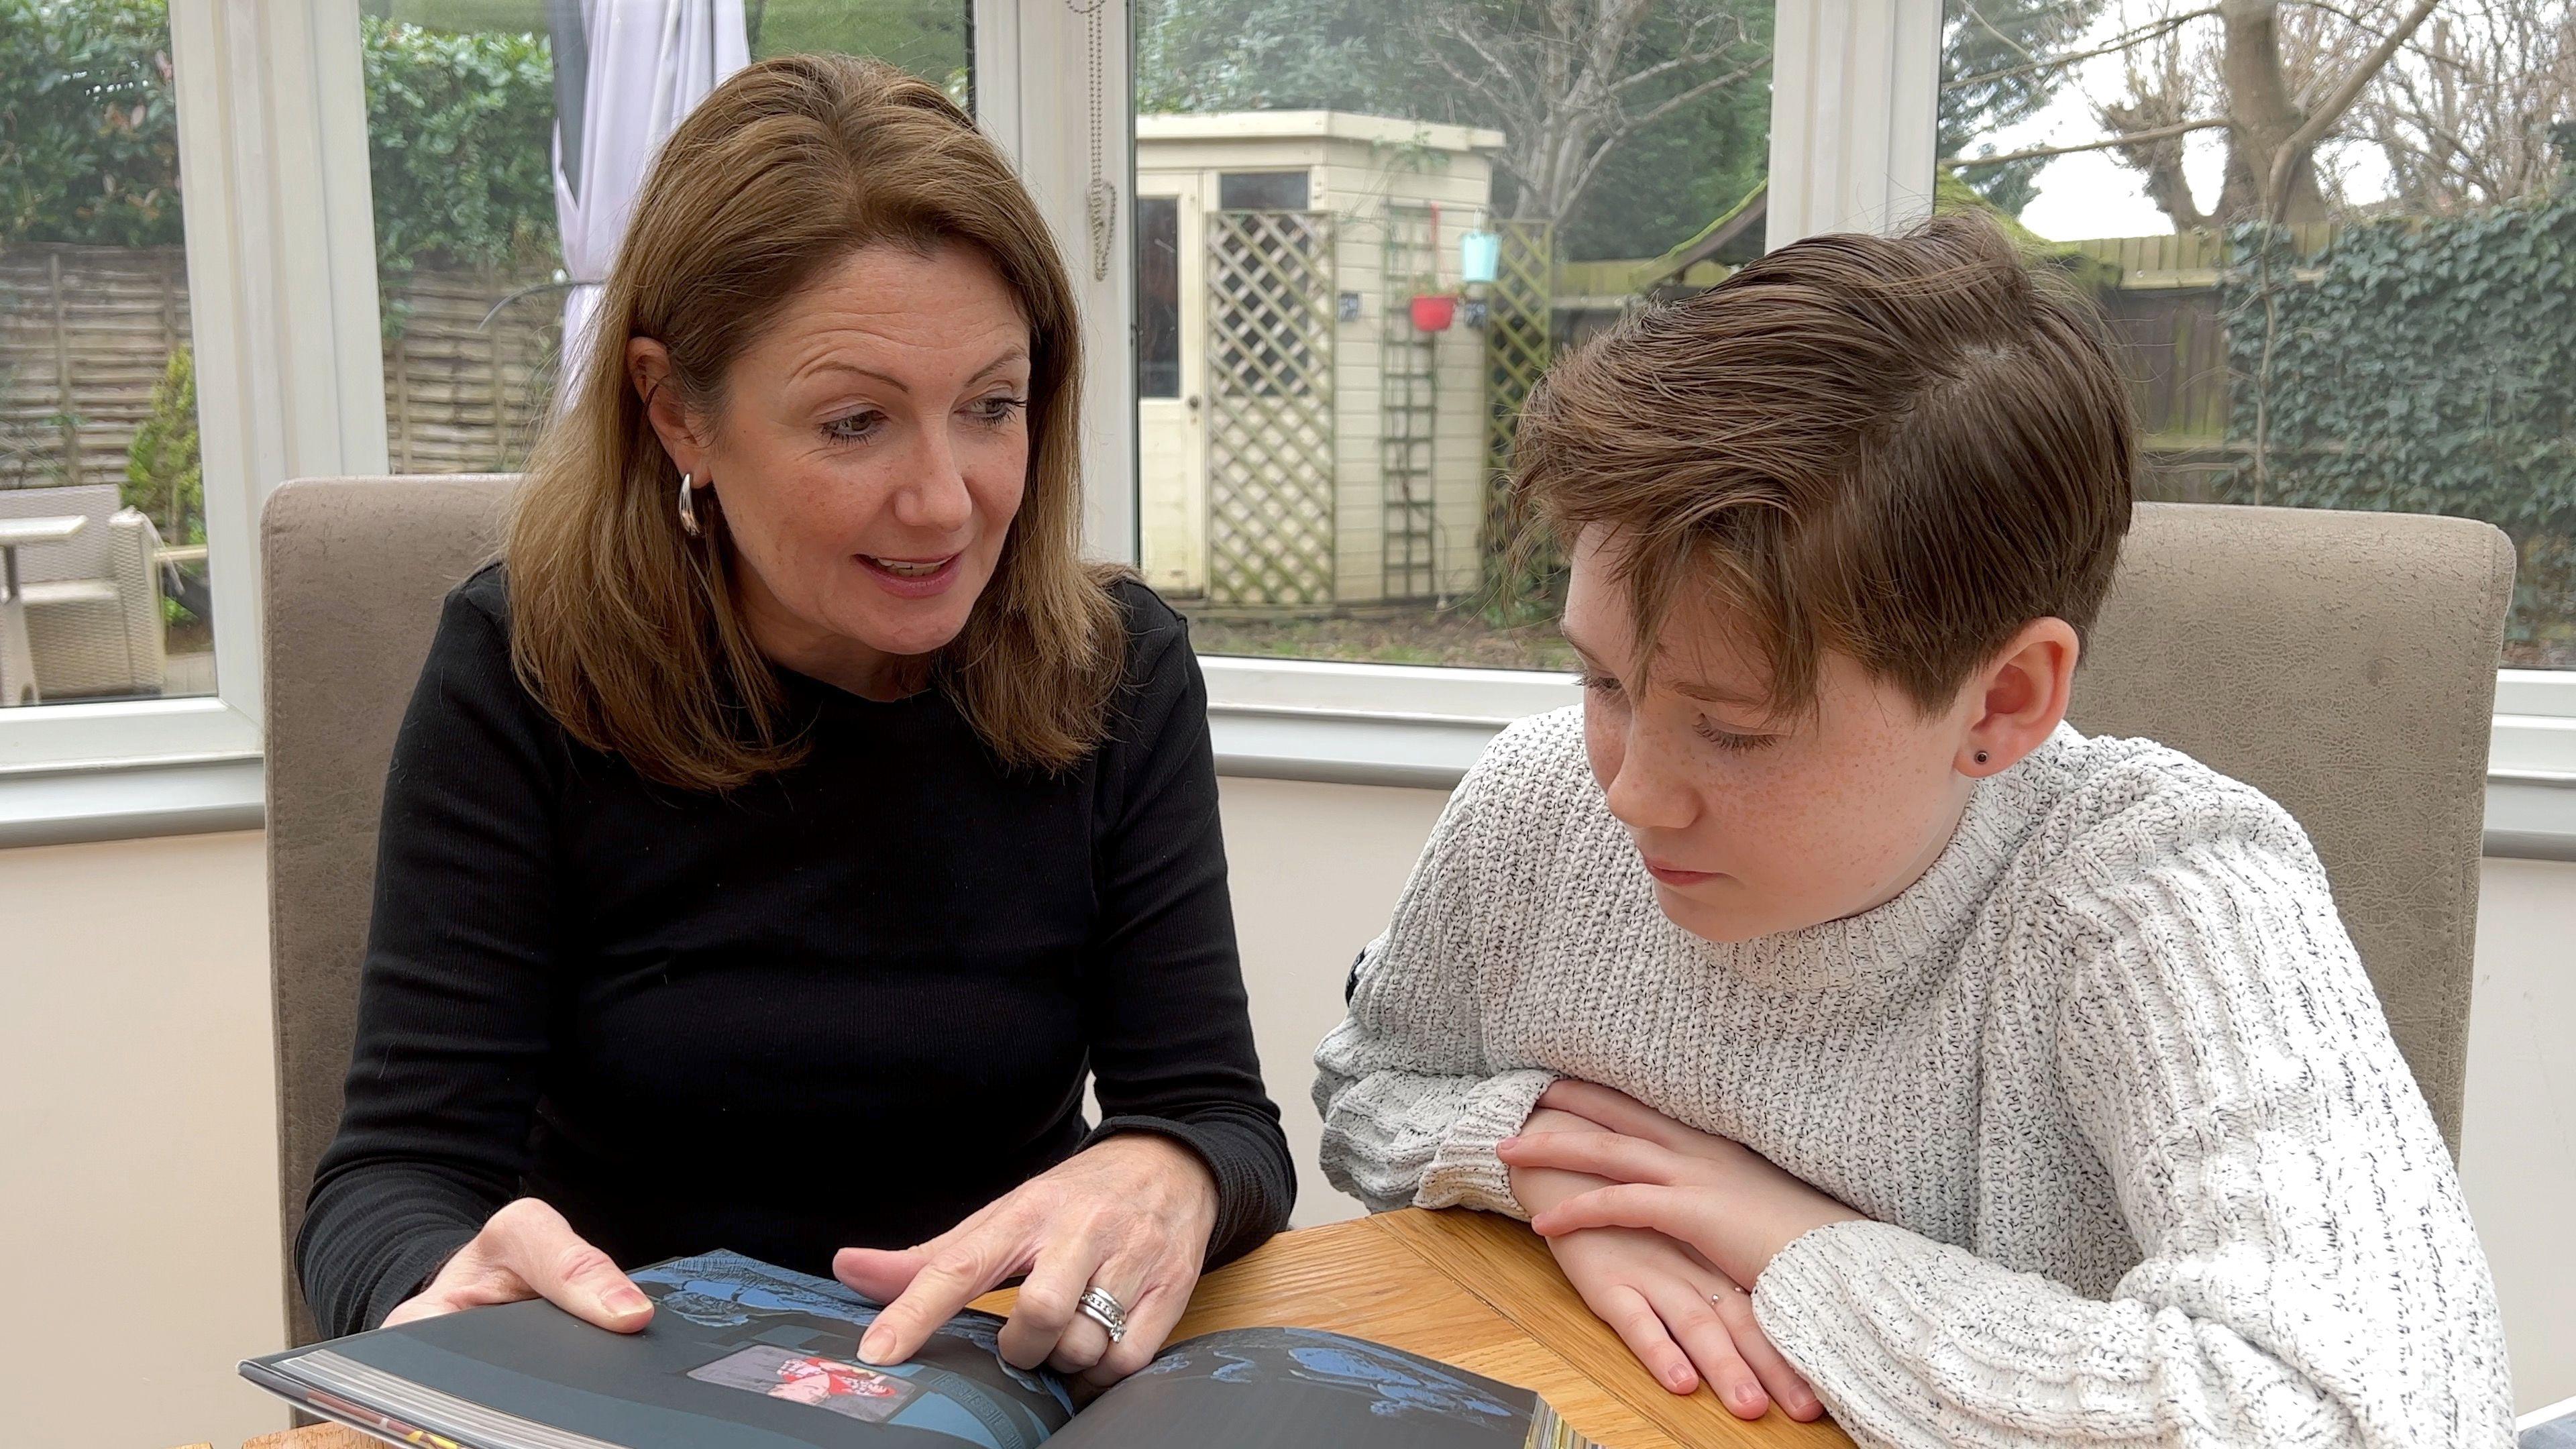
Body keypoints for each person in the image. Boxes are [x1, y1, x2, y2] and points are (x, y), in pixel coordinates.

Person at [1312, 215, 2515, 1446]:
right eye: (1606, 685)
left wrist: (1793, 1243)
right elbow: (1369, 1085)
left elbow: (2378, 1415)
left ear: (2001, 701)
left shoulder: (2161, 896)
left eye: (1736, 731)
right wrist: (1549, 1165)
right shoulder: (1538, 804)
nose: (1632, 794)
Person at [300, 54, 1293, 1389]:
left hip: (990, 1390)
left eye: (991, 407)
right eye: (853, 422)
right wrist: (437, 1285)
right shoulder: (526, 666)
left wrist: (1166, 1168)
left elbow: (1223, 1121)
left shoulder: (1116, 674)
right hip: (630, 1397)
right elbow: (391, 1178)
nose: (945, 502)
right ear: (673, 410)